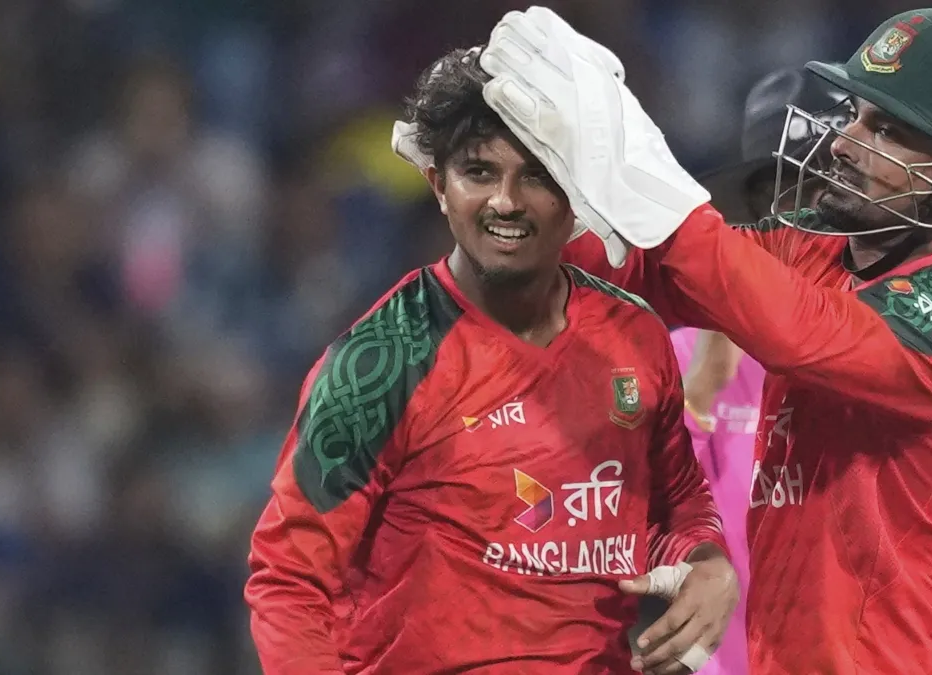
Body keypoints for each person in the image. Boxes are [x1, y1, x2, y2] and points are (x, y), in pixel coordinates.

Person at [475, 6, 932, 673]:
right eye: (856, 114)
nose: (844, 142)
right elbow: (640, 269)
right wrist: (511, 193)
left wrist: (645, 177)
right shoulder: (808, 247)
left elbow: (801, 329)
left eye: (888, 130)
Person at [245, 45, 739, 675]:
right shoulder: (381, 363)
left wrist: (706, 560)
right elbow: (289, 579)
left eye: (537, 175)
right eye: (478, 172)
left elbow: (675, 503)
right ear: (438, 186)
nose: (506, 201)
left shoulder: (635, 335)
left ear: (578, 192)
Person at [675, 67, 932, 675]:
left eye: (831, 189)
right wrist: (698, 397)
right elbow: (638, 534)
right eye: (788, 195)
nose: (813, 217)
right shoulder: (684, 354)